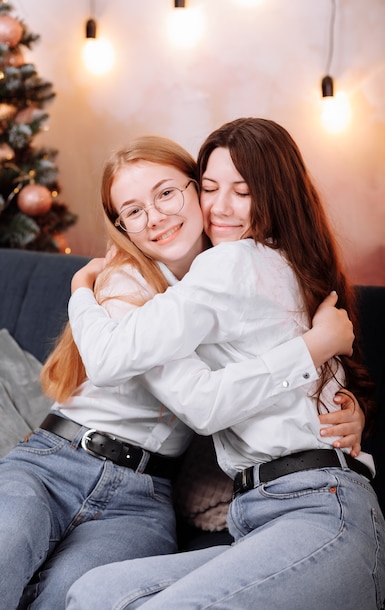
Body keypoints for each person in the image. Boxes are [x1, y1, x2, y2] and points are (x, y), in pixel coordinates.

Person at [0, 135, 359, 610]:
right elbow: (195, 399)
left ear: (196, 190)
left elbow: (285, 388)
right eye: (132, 211)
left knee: (72, 593)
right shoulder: (126, 283)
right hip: (53, 462)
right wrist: (79, 288)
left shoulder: (240, 278)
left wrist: (346, 411)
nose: (154, 218)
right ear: (123, 228)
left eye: (166, 193)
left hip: (142, 497)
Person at [65, 118, 385, 609]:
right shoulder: (257, 266)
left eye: (243, 191)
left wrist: (81, 292)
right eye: (211, 188)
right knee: (91, 593)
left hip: (318, 507)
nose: (220, 207)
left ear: (274, 196)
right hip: (264, 514)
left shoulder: (232, 264)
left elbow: (112, 360)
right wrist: (315, 350)